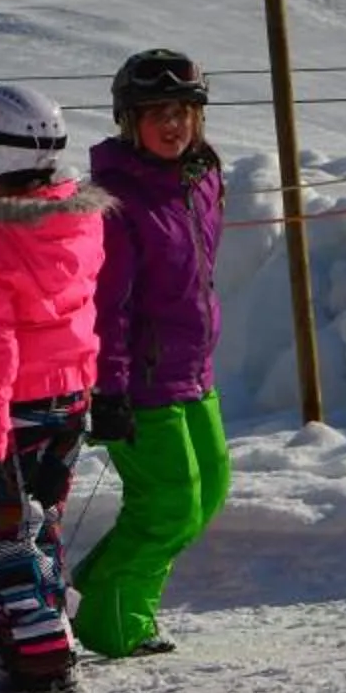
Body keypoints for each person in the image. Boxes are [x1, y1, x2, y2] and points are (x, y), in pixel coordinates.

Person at [0, 85, 112, 693]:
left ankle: (40, 652)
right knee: (42, 523)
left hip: (15, 408)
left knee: (6, 533)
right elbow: (78, 312)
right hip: (70, 400)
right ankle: (35, 638)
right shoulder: (80, 226)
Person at [73, 48, 231, 661]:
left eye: (184, 111)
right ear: (127, 121)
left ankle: (90, 592)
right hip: (137, 381)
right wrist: (107, 391)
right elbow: (106, 309)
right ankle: (115, 625)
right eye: (156, 113)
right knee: (167, 503)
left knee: (208, 489)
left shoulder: (199, 180)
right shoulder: (115, 203)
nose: (173, 125)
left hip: (192, 370)